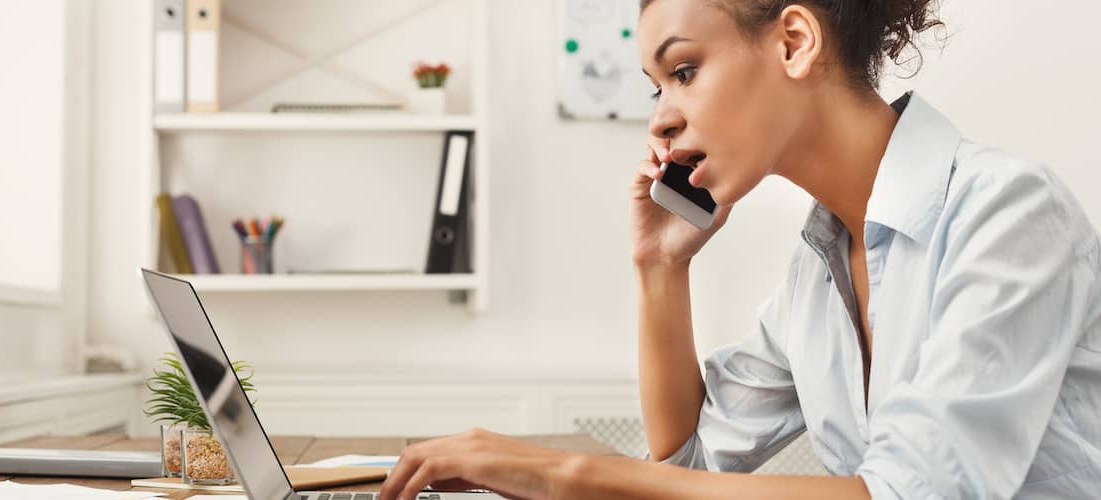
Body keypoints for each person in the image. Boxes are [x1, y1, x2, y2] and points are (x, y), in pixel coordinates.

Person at [379, 0, 1101, 498]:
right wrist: (662, 269)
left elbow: (913, 494)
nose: (660, 120)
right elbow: (688, 466)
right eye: (657, 87)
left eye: (683, 72)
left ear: (794, 41)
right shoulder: (817, 275)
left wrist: (564, 475)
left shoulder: (1007, 211)